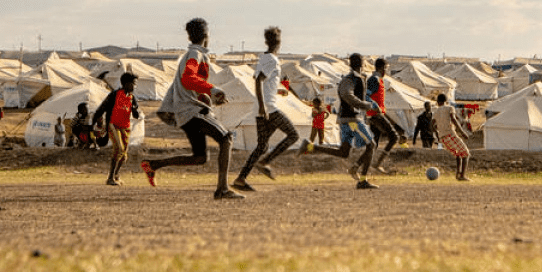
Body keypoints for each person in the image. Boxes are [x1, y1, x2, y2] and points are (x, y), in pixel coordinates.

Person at [141, 18, 242, 200]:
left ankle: (153, 164)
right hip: (192, 111)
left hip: (186, 112)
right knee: (226, 138)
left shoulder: (192, 54)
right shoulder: (195, 54)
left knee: (200, 157)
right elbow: (189, 79)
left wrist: (208, 97)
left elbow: (191, 86)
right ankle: (222, 189)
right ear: (206, 35)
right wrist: (213, 89)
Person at [299, 53, 380, 189]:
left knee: (344, 152)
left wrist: (371, 104)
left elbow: (359, 96)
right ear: (361, 64)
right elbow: (347, 95)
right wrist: (366, 106)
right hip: (352, 120)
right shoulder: (349, 80)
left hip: (346, 120)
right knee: (371, 145)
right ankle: (362, 180)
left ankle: (310, 146)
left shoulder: (357, 79)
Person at [233, 26, 299, 190]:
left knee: (262, 146)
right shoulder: (272, 60)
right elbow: (259, 81)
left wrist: (277, 91)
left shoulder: (263, 58)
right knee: (293, 135)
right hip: (268, 108)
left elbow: (261, 80)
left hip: (262, 107)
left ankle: (241, 179)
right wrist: (263, 106)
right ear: (279, 42)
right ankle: (265, 162)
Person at [92, 72, 141, 186]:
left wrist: (134, 110)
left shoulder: (132, 98)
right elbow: (102, 108)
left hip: (126, 127)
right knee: (118, 149)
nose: (135, 87)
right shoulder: (115, 94)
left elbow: (136, 116)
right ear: (126, 84)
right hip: (114, 125)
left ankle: (116, 176)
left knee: (124, 155)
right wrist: (94, 123)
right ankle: (110, 178)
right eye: (134, 84)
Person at [365, 58, 400, 173]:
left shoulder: (377, 79)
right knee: (394, 137)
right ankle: (377, 164)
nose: (386, 71)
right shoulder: (374, 80)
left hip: (375, 114)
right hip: (376, 115)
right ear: (382, 68)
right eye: (386, 68)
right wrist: (375, 105)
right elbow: (366, 96)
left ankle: (362, 165)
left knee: (374, 143)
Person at [434, 93, 470, 181]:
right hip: (450, 134)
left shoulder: (436, 111)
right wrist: (462, 132)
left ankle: (458, 174)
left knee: (458, 154)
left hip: (442, 137)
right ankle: (462, 176)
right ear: (446, 101)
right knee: (466, 154)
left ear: (437, 102)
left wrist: (437, 135)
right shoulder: (450, 108)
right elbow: (453, 119)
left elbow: (432, 125)